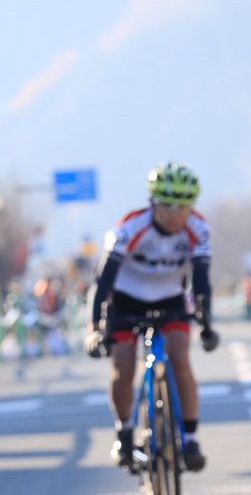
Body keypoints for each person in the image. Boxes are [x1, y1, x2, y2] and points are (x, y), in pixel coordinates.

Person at [85, 162, 220, 472]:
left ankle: (191, 438)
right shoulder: (132, 227)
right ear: (153, 203)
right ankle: (124, 433)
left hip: (170, 299)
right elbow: (102, 281)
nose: (175, 215)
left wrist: (207, 325)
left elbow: (201, 281)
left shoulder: (198, 229)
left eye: (183, 206)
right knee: (121, 370)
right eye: (167, 206)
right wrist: (95, 328)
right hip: (126, 300)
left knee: (180, 357)